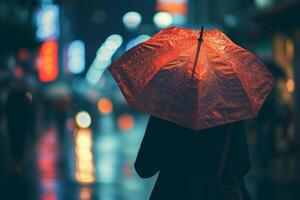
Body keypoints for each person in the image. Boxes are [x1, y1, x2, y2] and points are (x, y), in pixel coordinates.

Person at [134, 115, 251, 200]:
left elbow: (144, 168)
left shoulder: (167, 108)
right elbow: (242, 165)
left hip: (170, 194)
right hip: (215, 193)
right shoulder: (230, 113)